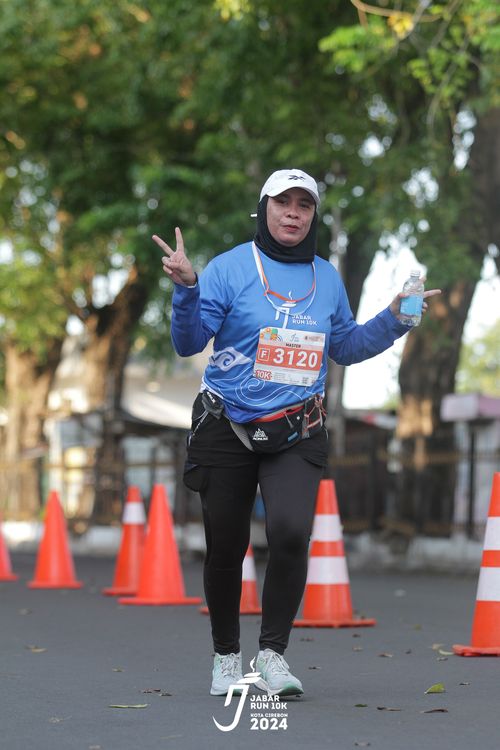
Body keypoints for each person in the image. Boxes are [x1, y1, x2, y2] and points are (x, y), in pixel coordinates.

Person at [152, 168, 441, 698]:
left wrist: (395, 318)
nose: (292, 213)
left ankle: (272, 655)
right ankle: (225, 657)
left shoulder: (326, 278)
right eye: (282, 202)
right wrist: (188, 289)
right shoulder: (230, 267)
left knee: (289, 532)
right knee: (227, 545)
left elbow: (346, 346)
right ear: (264, 208)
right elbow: (189, 343)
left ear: (313, 216)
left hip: (298, 427)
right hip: (226, 424)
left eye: (303, 205)